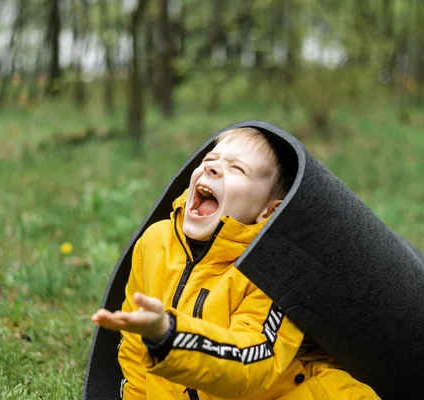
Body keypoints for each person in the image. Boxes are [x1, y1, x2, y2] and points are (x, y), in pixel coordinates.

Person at [92, 127, 379, 399]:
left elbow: (253, 362)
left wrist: (170, 335)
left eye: (237, 168)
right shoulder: (154, 243)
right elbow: (133, 351)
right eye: (210, 159)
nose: (212, 168)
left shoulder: (275, 269)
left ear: (269, 211)